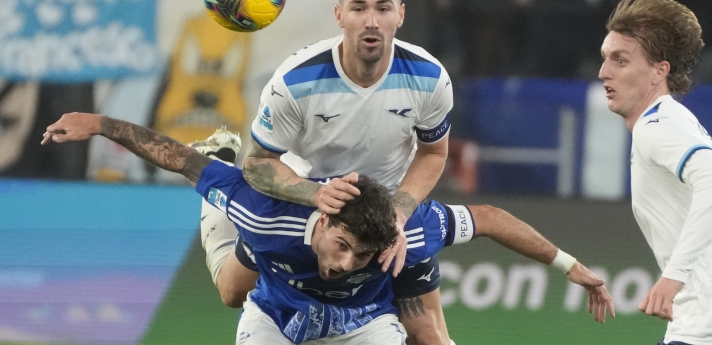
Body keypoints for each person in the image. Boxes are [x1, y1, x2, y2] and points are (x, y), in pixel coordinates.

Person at [42, 112, 616, 344]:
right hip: (274, 309)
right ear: (324, 218)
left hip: (362, 324)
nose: (344, 262)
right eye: (341, 245)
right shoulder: (267, 215)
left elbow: (489, 220)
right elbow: (174, 157)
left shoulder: (406, 235)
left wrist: (573, 268)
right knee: (227, 290)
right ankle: (221, 176)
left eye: (360, 256)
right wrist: (96, 124)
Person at [200, 0, 455, 344]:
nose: (372, 20)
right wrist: (316, 195)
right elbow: (259, 163)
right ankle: (215, 176)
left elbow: (433, 153)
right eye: (359, 7)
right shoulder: (295, 80)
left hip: (380, 214)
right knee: (232, 292)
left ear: (400, 15)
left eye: (383, 8)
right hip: (308, 207)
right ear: (340, 15)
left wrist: (399, 213)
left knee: (429, 335)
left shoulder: (430, 78)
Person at [599, 0, 712, 345]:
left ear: (658, 71)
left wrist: (673, 276)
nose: (604, 72)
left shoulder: (657, 126)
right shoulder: (668, 121)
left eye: (620, 60)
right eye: (605, 57)